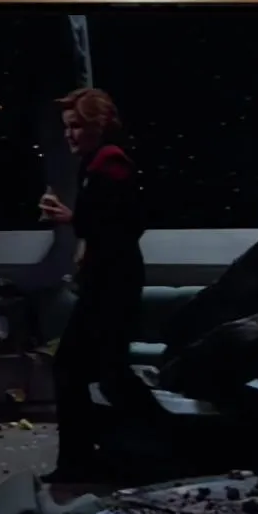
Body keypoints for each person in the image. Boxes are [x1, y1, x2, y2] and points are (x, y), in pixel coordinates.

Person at [38, 87, 160, 483]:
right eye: (67, 127)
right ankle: (148, 443)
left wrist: (71, 219)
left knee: (75, 369)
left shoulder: (111, 164)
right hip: (109, 282)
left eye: (77, 126)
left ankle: (80, 461)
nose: (69, 134)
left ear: (99, 126)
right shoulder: (96, 164)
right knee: (108, 372)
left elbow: (127, 223)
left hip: (112, 286)